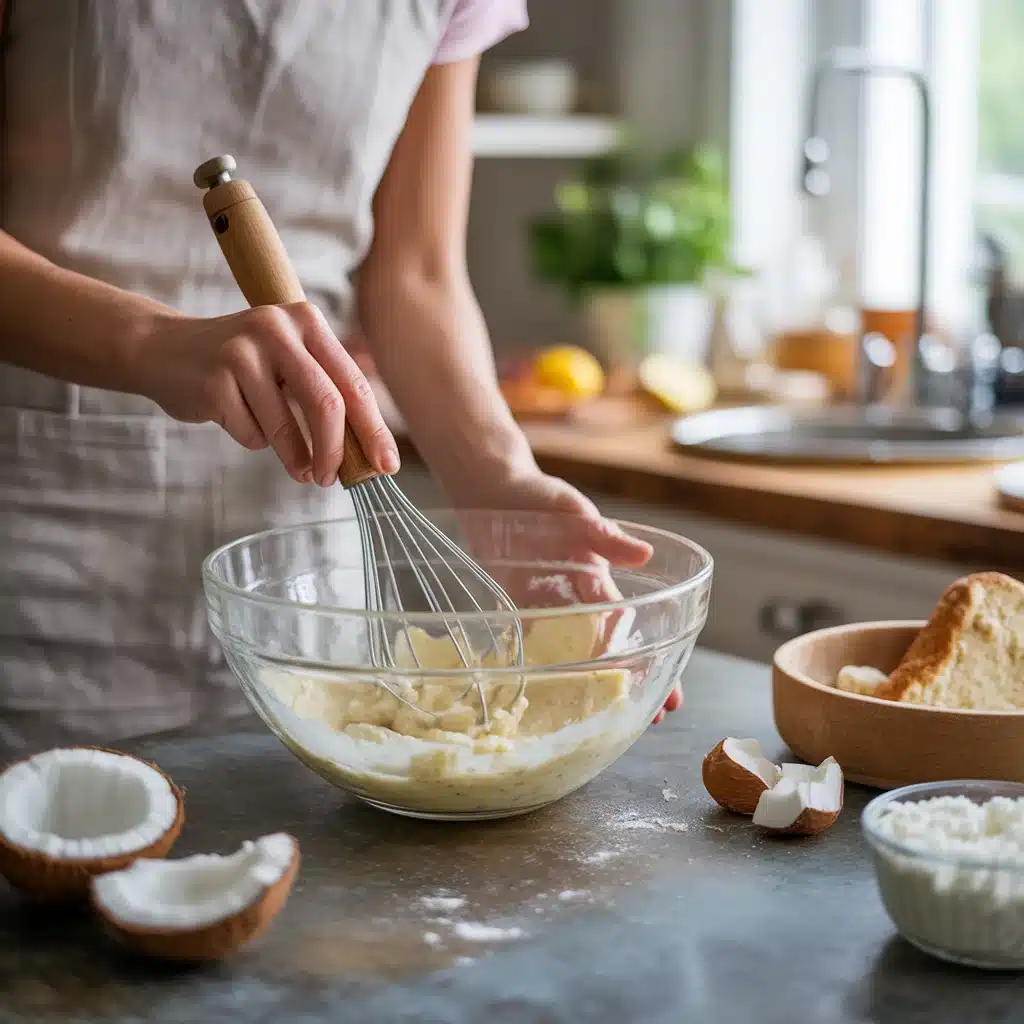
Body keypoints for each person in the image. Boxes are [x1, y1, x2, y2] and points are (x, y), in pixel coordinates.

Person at [0, 0, 681, 757]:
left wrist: (499, 480)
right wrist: (153, 341)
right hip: (42, 547)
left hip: (301, 552)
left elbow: (416, 272)